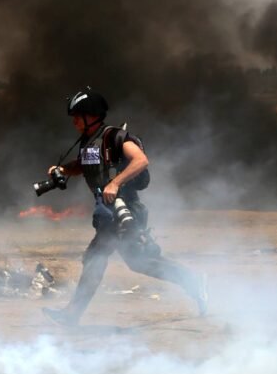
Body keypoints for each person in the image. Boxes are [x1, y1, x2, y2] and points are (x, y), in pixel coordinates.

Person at [42, 87, 207, 326]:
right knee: (132, 262)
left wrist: (115, 183)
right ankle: (192, 280)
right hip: (108, 213)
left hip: (126, 211)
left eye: (78, 116)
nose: (74, 121)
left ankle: (71, 315)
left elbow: (141, 160)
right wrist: (63, 170)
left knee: (101, 258)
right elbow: (83, 165)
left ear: (92, 115)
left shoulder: (115, 137)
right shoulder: (89, 142)